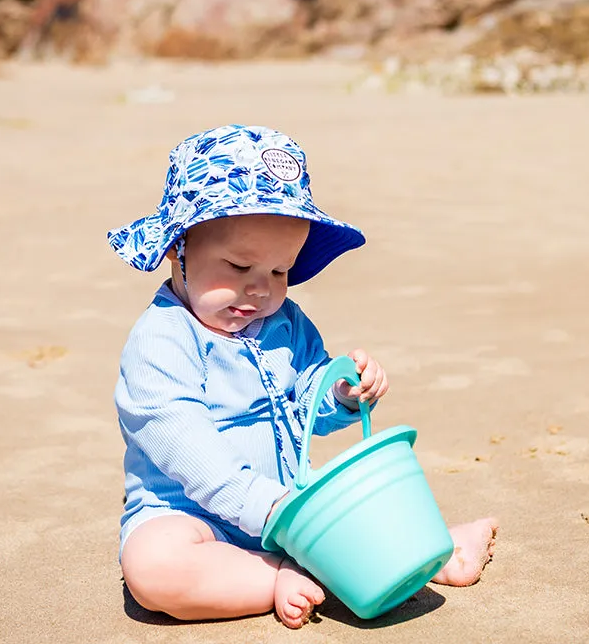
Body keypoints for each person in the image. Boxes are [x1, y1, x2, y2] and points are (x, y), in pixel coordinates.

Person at [108, 125, 497, 629]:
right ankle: (273, 576)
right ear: (176, 249)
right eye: (239, 265)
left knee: (360, 511)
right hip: (191, 514)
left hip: (293, 506)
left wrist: (342, 395)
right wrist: (268, 511)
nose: (261, 290)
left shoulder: (285, 322)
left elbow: (306, 400)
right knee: (153, 567)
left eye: (280, 271)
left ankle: (435, 548)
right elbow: (185, 445)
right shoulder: (161, 341)